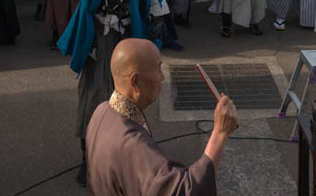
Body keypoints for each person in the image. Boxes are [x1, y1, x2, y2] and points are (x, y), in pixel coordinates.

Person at [57, 0, 170, 186]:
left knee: (132, 94)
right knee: (96, 93)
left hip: (131, 33)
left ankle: (128, 153)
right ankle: (89, 154)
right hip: (99, 35)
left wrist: (158, 19)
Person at [84, 38, 237, 195]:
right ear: (135, 81)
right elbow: (186, 190)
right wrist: (220, 133)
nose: (162, 78)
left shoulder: (101, 111)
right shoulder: (133, 145)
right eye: (158, 70)